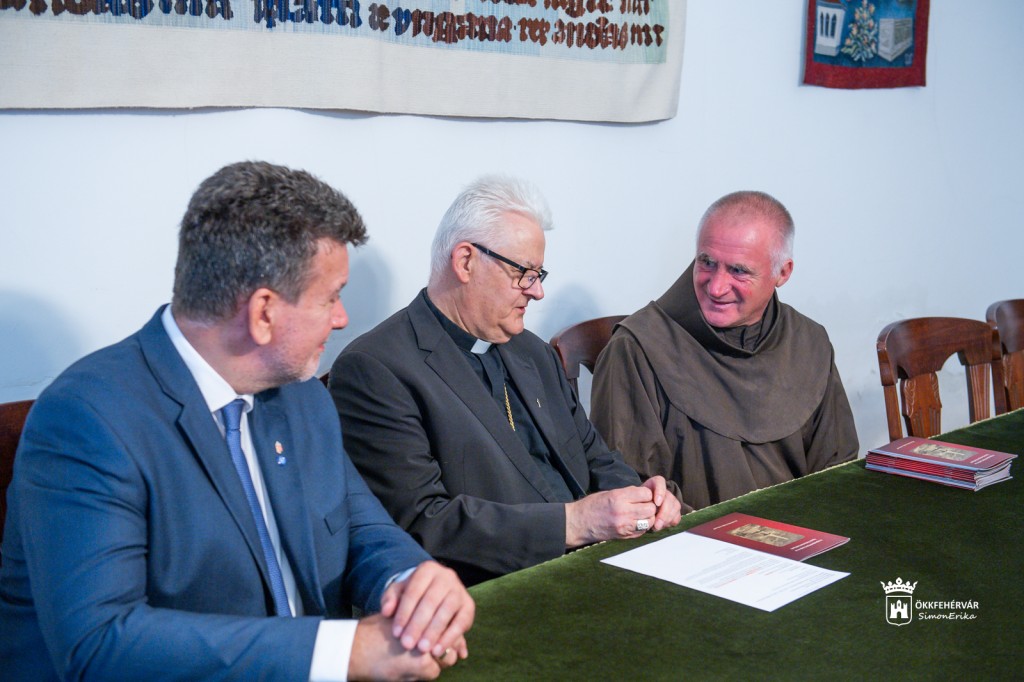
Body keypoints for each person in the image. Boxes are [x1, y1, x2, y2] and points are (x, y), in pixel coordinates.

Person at [0, 161, 474, 681]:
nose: (341, 319)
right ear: (263, 312)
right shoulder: (86, 420)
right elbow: (102, 645)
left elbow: (358, 526)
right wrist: (346, 652)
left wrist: (414, 581)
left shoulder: (303, 396)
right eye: (331, 297)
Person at [330, 175, 681, 587]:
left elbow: (594, 455)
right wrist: (575, 523)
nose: (537, 292)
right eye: (524, 273)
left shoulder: (531, 351)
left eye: (539, 274)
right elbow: (422, 522)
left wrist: (642, 501)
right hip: (498, 588)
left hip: (597, 563)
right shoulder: (377, 368)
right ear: (465, 261)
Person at [591, 190, 859, 512]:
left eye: (739, 270)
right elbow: (630, 489)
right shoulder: (636, 349)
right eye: (707, 262)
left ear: (783, 273)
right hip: (692, 536)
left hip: (800, 530)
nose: (716, 287)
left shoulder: (809, 341)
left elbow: (836, 468)